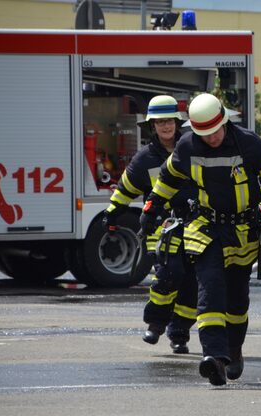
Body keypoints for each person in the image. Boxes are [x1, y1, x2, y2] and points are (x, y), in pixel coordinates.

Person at [139, 93, 261, 386]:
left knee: (236, 300)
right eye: (204, 134)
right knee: (209, 290)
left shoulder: (250, 144)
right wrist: (152, 206)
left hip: (243, 231)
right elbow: (169, 177)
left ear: (224, 121)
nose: (211, 138)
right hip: (206, 228)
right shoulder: (187, 146)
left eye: (215, 131)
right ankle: (214, 357)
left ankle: (233, 351)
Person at [103, 95, 197, 354]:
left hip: (194, 224)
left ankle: (180, 334)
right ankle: (155, 323)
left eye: (169, 121)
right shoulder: (144, 158)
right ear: (152, 126)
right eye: (160, 122)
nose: (165, 127)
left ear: (177, 123)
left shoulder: (191, 147)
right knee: (169, 274)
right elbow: (126, 187)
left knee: (191, 282)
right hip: (162, 226)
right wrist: (113, 211)